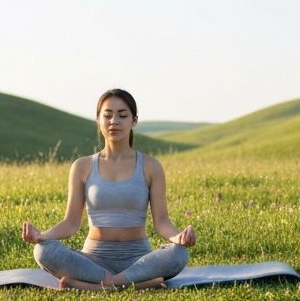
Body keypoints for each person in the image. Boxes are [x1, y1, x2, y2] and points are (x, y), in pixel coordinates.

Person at [21, 89, 196, 290]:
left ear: (134, 121)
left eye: (122, 115)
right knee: (43, 251)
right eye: (107, 115)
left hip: (138, 260)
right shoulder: (82, 166)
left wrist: (178, 237)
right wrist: (41, 236)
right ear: (98, 120)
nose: (114, 121)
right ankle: (137, 284)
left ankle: (96, 285)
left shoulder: (151, 166)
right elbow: (70, 224)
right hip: (93, 260)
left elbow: (162, 222)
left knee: (180, 254)